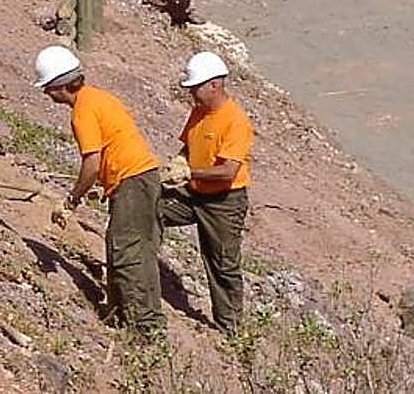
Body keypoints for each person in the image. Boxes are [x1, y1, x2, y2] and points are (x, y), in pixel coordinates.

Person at [34, 45, 165, 334]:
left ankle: (143, 327)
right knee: (130, 248)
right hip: (140, 178)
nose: (47, 95)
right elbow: (112, 148)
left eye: (48, 88)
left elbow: (91, 163)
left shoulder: (82, 111)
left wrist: (72, 200)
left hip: (133, 181)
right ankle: (123, 316)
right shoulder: (99, 98)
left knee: (127, 252)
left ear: (61, 86)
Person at [160, 51, 254, 334]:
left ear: (215, 84)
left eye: (196, 87)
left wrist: (189, 172)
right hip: (193, 193)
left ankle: (230, 328)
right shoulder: (199, 112)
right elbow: (188, 145)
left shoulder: (235, 121)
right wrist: (180, 160)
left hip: (223, 201)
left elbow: (228, 171)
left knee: (222, 265)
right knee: (151, 207)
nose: (192, 94)